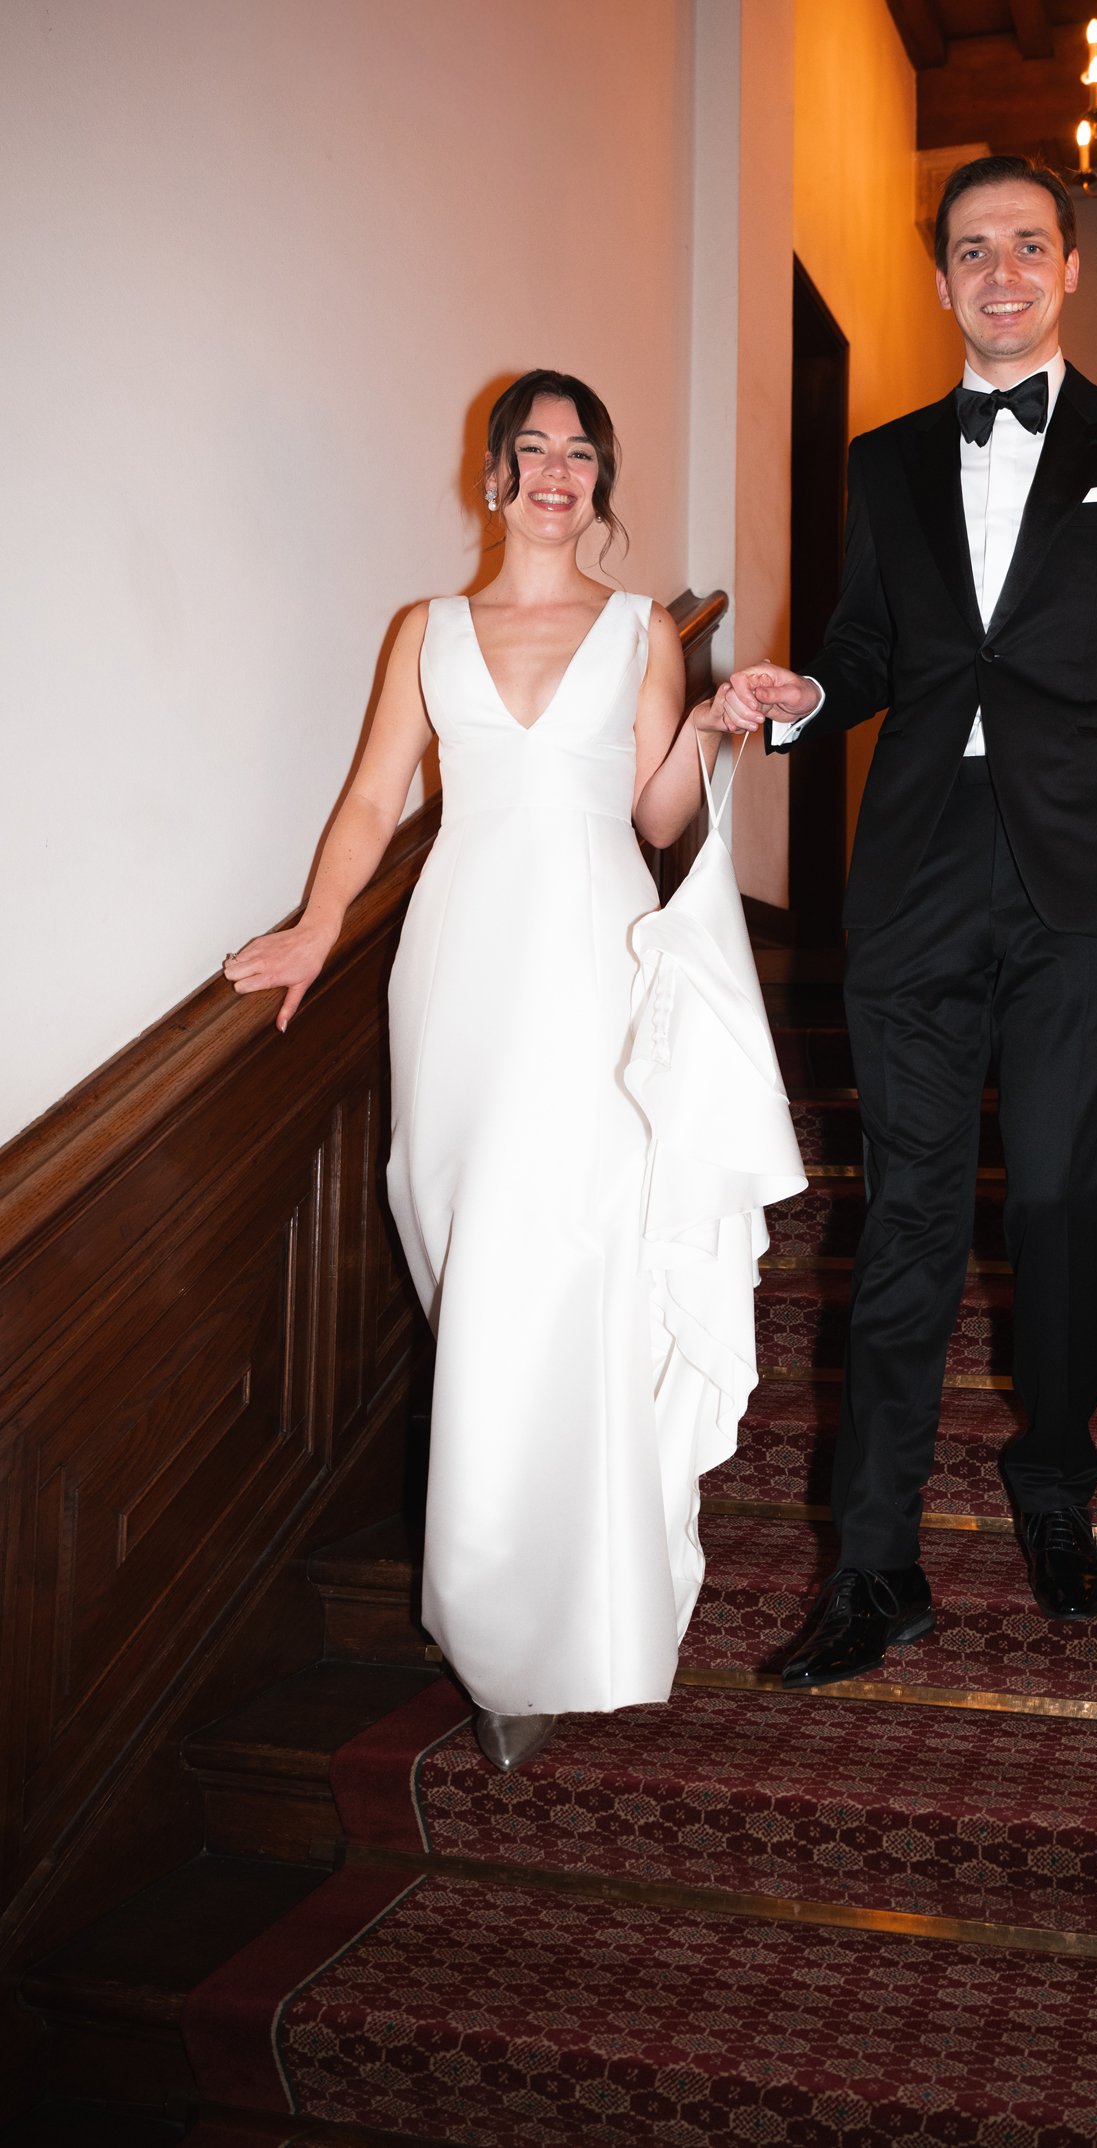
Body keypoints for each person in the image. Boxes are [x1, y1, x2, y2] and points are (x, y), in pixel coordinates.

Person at [727, 156, 1097, 1689]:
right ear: (943, 277)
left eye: (1030, 245)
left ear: (1071, 267)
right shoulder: (886, 461)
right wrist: (798, 704)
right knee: (902, 1216)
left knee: (1053, 1205)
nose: (1004, 271)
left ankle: (1053, 1485)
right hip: (913, 877)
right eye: (974, 250)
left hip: (1085, 882)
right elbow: (865, 653)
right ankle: (874, 1564)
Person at [225, 370, 801, 1769]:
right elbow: (375, 798)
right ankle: (494, 1619)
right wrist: (314, 926)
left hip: (597, 972)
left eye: (580, 453)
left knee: (582, 1269)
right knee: (473, 1268)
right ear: (493, 478)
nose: (557, 471)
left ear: (599, 482)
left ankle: (578, 1622)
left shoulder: (640, 631)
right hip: (463, 975)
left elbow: (652, 808)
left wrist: (717, 721)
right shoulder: (425, 632)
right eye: (531, 450)